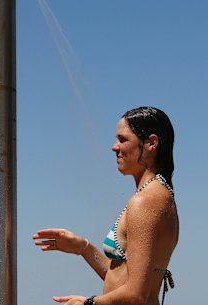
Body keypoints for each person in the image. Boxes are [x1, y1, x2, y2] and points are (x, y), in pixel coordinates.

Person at [33, 106, 178, 305]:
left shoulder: (145, 201)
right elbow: (122, 279)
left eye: (123, 139)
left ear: (151, 143)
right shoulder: (157, 195)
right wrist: (83, 248)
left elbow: (137, 295)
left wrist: (88, 303)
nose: (114, 147)